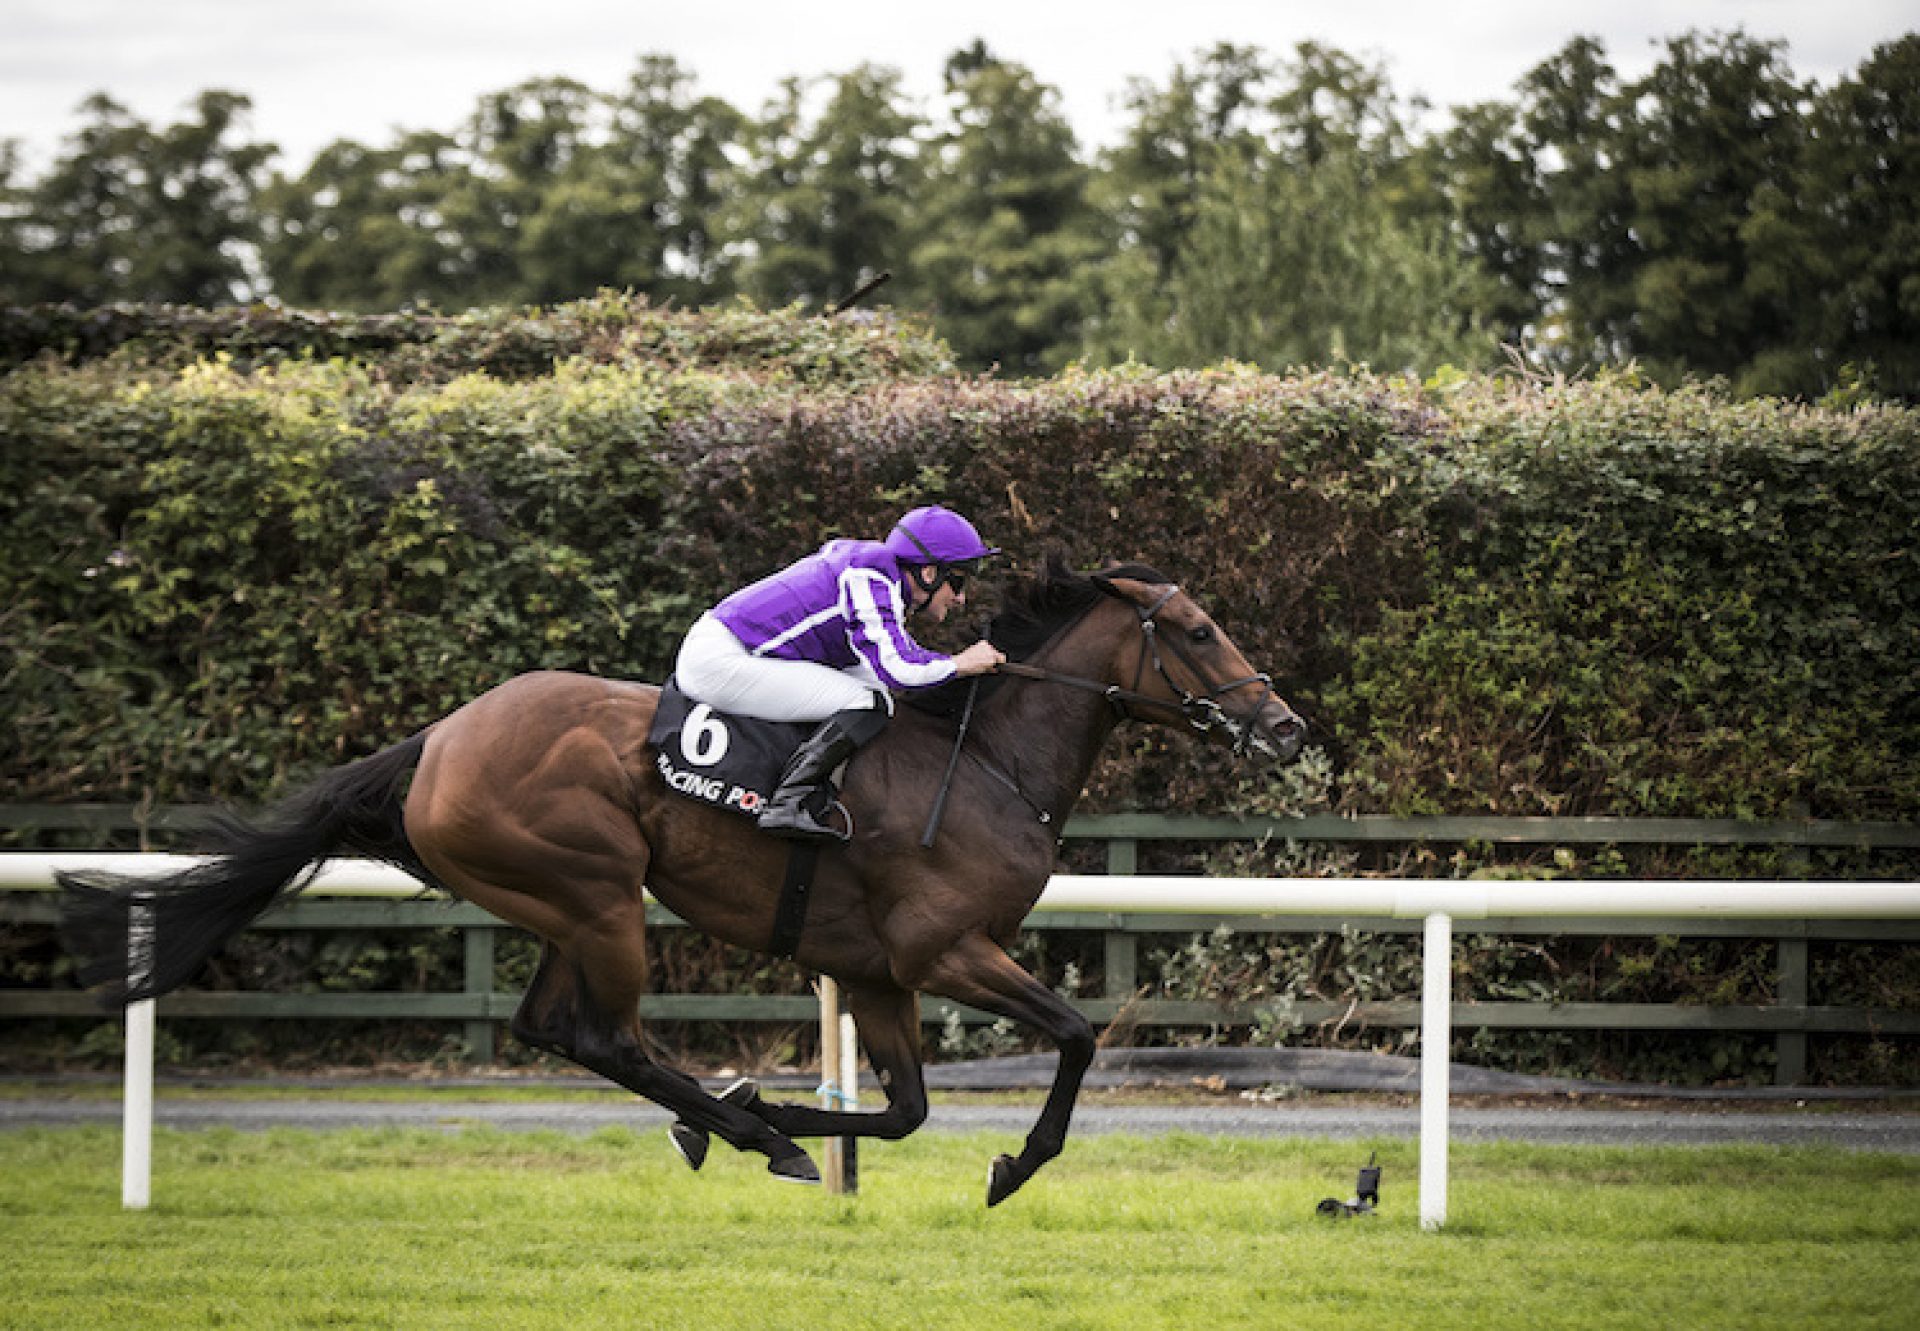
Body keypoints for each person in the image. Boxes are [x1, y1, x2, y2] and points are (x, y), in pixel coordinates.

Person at [674, 505, 1007, 841]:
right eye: (957, 582)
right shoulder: (871, 577)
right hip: (720, 660)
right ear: (929, 573)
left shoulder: (879, 576)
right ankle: (788, 801)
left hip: (732, 648)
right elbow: (900, 670)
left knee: (875, 693)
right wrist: (959, 663)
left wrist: (956, 665)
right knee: (868, 702)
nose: (961, 598)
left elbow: (900, 656)